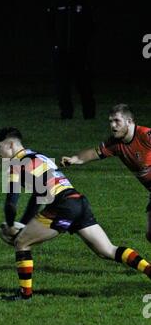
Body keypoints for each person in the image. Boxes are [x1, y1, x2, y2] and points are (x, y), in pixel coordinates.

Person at [0, 127, 151, 300]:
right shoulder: (39, 156)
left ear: (10, 144)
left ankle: (25, 295)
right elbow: (38, 197)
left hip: (62, 206)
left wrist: (10, 225)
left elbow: (11, 202)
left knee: (21, 243)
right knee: (107, 250)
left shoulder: (16, 165)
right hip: (78, 201)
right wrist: (24, 224)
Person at [61, 103, 151, 242]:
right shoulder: (115, 143)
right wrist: (75, 159)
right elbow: (94, 152)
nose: (113, 125)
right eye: (110, 121)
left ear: (129, 121)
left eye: (117, 121)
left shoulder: (145, 135)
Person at [47, 0, 96, 120]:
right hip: (61, 53)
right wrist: (55, 45)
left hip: (79, 53)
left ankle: (89, 114)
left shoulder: (83, 3)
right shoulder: (56, 3)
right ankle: (66, 114)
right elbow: (49, 26)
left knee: (84, 84)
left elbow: (91, 26)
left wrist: (84, 45)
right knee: (62, 86)